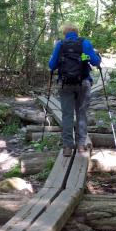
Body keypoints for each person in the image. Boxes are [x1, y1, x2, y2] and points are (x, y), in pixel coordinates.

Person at [48, 23, 101, 157]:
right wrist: (94, 56)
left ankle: (67, 147)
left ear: (64, 33)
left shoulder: (60, 44)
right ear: (77, 32)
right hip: (83, 82)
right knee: (81, 114)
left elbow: (52, 65)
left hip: (65, 84)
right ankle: (81, 145)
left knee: (67, 115)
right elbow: (95, 62)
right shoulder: (85, 43)